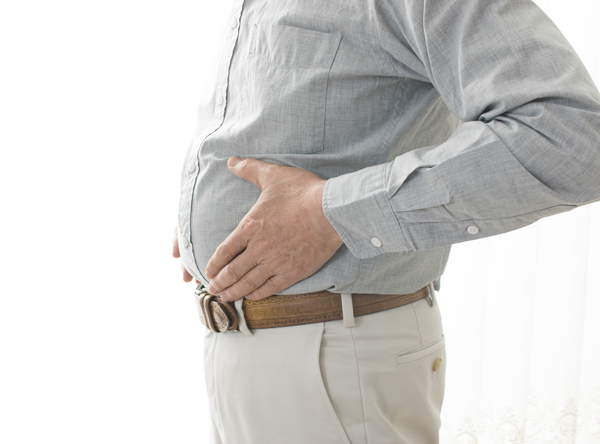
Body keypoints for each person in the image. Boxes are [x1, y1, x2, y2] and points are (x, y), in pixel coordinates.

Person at [172, 0, 600, 442]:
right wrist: (207, 208)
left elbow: (572, 138)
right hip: (243, 350)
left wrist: (330, 213)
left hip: (330, 355)